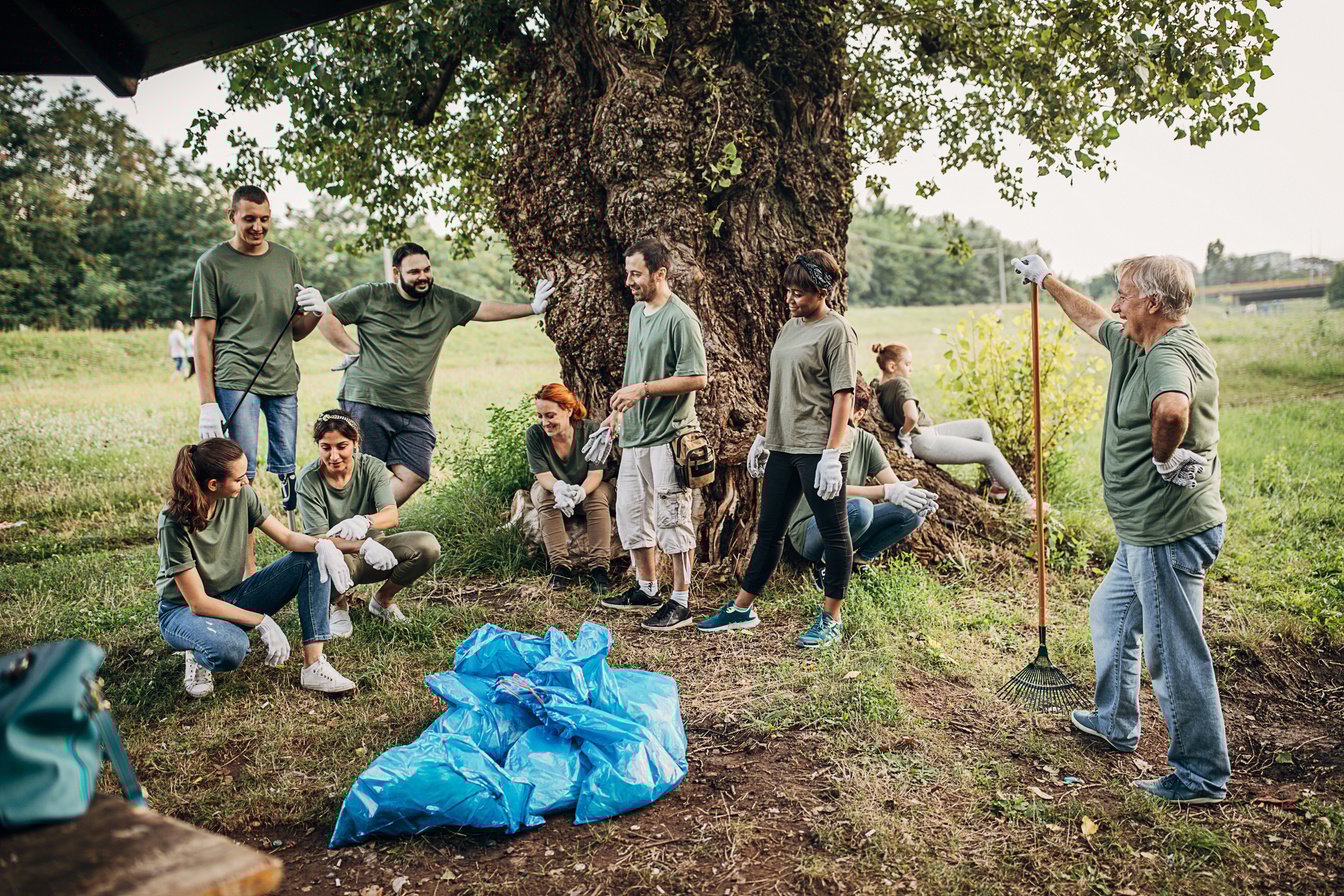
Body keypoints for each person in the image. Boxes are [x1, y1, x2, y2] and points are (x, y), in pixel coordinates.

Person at [1013, 252, 1230, 806]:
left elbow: (1173, 412)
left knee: (1173, 651)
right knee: (1111, 613)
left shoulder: (1167, 354)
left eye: (1125, 294)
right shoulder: (1135, 340)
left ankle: (1200, 774)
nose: (1115, 303)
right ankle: (1114, 720)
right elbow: (1091, 318)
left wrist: (1163, 459)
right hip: (1143, 531)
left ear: (1153, 304)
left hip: (1166, 534)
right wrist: (1047, 280)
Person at [307, 242, 555, 506]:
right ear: (396, 273)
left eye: (426, 269)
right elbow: (326, 313)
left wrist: (532, 307)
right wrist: (352, 349)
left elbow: (485, 309)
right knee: (363, 475)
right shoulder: (371, 295)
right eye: (414, 272)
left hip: (414, 408)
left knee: (415, 472)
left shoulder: (444, 301)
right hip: (367, 401)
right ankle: (349, 534)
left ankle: (363, 521)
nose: (423, 276)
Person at [696, 250, 856, 647]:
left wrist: (832, 455)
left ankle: (831, 618)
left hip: (820, 449)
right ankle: (742, 609)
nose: (790, 298)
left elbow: (844, 397)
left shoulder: (837, 331)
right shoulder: (789, 328)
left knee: (835, 534)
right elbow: (779, 389)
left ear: (822, 291)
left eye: (800, 292)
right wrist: (764, 437)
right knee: (769, 532)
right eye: (788, 291)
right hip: (783, 445)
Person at [156, 438, 359, 699]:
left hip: (232, 595)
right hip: (183, 611)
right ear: (213, 485)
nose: (246, 483)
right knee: (230, 650)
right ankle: (198, 652)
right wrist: (262, 621)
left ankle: (314, 665)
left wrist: (322, 545)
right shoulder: (174, 520)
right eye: (239, 479)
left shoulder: (243, 496)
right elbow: (198, 603)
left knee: (311, 558)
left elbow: (287, 538)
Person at [192, 185, 323, 572]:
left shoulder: (286, 260)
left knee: (287, 470)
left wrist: (316, 311)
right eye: (249, 219)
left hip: (282, 377)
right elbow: (203, 336)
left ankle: (300, 560)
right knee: (239, 474)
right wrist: (206, 401)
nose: (258, 227)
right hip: (235, 376)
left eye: (264, 219)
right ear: (232, 216)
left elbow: (296, 329)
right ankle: (246, 569)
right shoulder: (212, 263)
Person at [590, 238, 707, 631]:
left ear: (660, 274)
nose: (629, 281)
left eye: (636, 274)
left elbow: (698, 378)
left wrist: (645, 390)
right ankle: (646, 587)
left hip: (670, 435)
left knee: (673, 517)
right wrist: (616, 415)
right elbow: (633, 369)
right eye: (628, 273)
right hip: (634, 434)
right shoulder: (638, 313)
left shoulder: (681, 318)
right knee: (632, 513)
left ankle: (681, 599)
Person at [297, 409, 441, 635]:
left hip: (376, 553)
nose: (334, 456)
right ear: (318, 445)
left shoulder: (371, 467)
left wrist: (364, 521)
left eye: (341, 446)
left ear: (355, 442)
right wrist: (360, 545)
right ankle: (338, 606)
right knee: (322, 558)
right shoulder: (309, 479)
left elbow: (391, 515)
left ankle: (383, 600)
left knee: (427, 546)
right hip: (340, 555)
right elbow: (318, 538)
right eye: (326, 447)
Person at [786, 378, 936, 591]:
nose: (833, 416)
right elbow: (829, 491)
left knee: (913, 512)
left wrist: (912, 496)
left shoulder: (866, 441)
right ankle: (827, 563)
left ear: (859, 415)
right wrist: (886, 491)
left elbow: (893, 484)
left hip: (850, 522)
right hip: (810, 530)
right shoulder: (814, 438)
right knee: (861, 508)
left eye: (842, 410)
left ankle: (860, 560)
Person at [871, 341, 1038, 513]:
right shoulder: (900, 383)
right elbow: (911, 416)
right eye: (907, 364)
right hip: (922, 439)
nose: (911, 369)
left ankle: (997, 484)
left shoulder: (877, 386)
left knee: (980, 427)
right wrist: (904, 435)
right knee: (991, 453)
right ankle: (1027, 504)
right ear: (892, 366)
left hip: (928, 432)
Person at [526, 384, 616, 592]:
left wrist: (581, 492)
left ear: (568, 410)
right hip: (554, 488)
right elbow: (543, 476)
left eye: (550, 415)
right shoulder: (535, 434)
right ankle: (560, 568)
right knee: (544, 495)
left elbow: (596, 474)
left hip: (590, 486)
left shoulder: (590, 430)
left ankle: (599, 569)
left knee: (596, 496)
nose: (545, 422)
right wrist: (558, 488)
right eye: (540, 416)